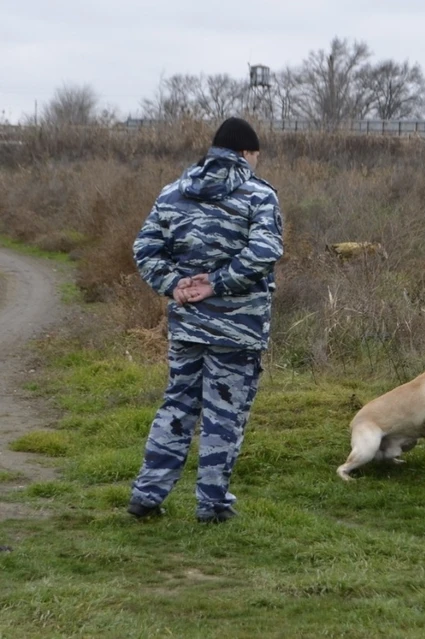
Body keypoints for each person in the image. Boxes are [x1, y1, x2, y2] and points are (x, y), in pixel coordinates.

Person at [127, 117, 283, 523]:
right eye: (256, 156)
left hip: (188, 325)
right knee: (224, 414)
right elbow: (265, 251)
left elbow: (145, 249)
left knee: (176, 406)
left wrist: (174, 285)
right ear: (247, 153)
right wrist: (216, 284)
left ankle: (146, 495)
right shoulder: (259, 195)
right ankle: (212, 505)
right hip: (238, 329)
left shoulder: (173, 192)